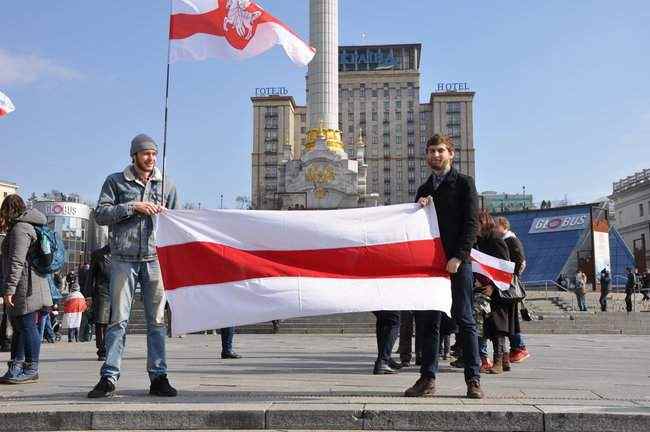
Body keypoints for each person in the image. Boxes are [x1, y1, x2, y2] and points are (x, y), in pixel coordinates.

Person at [87, 133, 179, 399]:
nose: (150, 158)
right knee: (118, 320)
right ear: (134, 156)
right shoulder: (115, 182)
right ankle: (109, 376)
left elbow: (176, 224)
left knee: (157, 321)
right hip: (122, 259)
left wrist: (166, 215)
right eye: (145, 153)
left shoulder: (168, 186)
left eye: (153, 154)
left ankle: (159, 376)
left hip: (154, 259)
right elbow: (101, 214)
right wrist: (132, 207)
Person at [404, 134, 483, 399]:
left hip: (458, 264)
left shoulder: (464, 184)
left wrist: (459, 257)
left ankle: (473, 379)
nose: (435, 155)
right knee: (428, 323)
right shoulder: (424, 190)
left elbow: (472, 224)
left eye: (440, 151)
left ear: (451, 153)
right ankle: (427, 378)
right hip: (430, 267)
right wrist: (420, 208)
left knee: (465, 319)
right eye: (430, 151)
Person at [0, 194, 53, 384]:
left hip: (27, 287)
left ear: (8, 210)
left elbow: (16, 262)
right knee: (20, 327)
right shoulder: (22, 227)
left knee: (27, 326)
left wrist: (9, 289)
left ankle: (31, 367)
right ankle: (16, 366)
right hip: (28, 285)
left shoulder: (20, 229)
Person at [476, 210, 515, 375]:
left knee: (498, 327)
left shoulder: (495, 240)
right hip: (487, 289)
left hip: (498, 291)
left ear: (483, 222)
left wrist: (492, 286)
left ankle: (498, 361)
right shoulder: (481, 240)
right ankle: (504, 360)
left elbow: (504, 266)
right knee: (491, 326)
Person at [494, 216, 530, 364]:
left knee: (511, 319)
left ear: (503, 226)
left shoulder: (511, 240)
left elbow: (520, 262)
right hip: (505, 284)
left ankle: (519, 347)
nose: (494, 228)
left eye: (496, 226)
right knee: (509, 319)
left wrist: (510, 276)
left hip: (508, 286)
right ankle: (516, 348)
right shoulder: (505, 240)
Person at [84, 245, 112, 361]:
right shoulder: (98, 255)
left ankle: (112, 348)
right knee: (101, 322)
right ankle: (102, 350)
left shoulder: (124, 254)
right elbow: (90, 277)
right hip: (102, 292)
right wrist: (88, 295)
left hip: (118, 291)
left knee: (115, 322)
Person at [62, 274, 87, 342]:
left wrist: (65, 310)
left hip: (71, 311)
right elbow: (84, 304)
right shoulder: (81, 295)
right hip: (79, 311)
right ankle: (77, 338)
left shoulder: (70, 295)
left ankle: (70, 338)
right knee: (77, 324)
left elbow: (65, 303)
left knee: (71, 324)